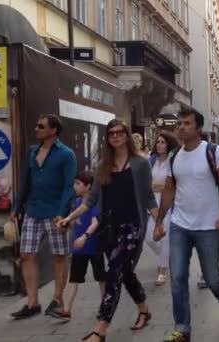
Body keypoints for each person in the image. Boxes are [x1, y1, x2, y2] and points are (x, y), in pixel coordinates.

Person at [58, 119, 158, 341]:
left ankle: (100, 329)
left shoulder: (140, 164)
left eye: (119, 132)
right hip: (110, 229)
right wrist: (68, 218)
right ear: (107, 138)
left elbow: (149, 196)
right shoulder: (102, 165)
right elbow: (89, 201)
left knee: (113, 272)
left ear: (126, 135)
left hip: (133, 227)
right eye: (111, 133)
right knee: (125, 273)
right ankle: (144, 310)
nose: (115, 136)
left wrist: (158, 223)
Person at [155, 107, 219, 342]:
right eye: (179, 123)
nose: (181, 127)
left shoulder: (213, 152)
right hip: (180, 225)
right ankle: (182, 329)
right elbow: (170, 189)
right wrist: (160, 220)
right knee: (178, 277)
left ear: (198, 128)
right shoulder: (174, 156)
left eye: (186, 123)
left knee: (212, 278)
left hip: (208, 226)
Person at [11, 114, 77, 320]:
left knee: (59, 256)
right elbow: (25, 181)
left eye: (41, 126)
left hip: (56, 213)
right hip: (33, 211)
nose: (36, 129)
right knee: (26, 255)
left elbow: (69, 186)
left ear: (53, 130)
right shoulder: (33, 152)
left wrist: (63, 213)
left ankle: (57, 300)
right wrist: (17, 206)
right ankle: (32, 303)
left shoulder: (66, 154)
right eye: (37, 126)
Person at [51, 171, 106, 321]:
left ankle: (105, 307)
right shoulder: (75, 203)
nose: (74, 186)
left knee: (101, 278)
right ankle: (66, 310)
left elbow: (95, 223)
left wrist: (84, 236)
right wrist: (64, 224)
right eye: (74, 183)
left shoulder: (92, 203)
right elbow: (74, 223)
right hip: (79, 249)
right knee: (74, 279)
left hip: (95, 247)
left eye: (78, 184)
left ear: (88, 187)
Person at [146, 133, 179, 285]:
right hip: (152, 203)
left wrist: (159, 186)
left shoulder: (173, 161)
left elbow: (173, 185)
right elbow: (146, 184)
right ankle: (169, 255)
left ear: (169, 144)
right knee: (150, 238)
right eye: (157, 142)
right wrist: (156, 186)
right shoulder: (151, 160)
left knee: (164, 237)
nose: (159, 145)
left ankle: (162, 271)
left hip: (168, 203)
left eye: (163, 142)